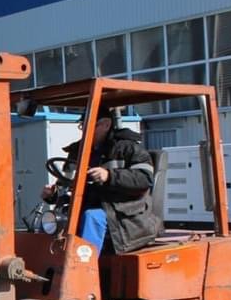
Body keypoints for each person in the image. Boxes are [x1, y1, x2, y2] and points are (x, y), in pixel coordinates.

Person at [42, 107, 160, 253]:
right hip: (88, 204)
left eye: (90, 125)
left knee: (92, 217)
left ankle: (85, 264)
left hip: (122, 210)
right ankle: (49, 262)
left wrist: (109, 176)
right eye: (82, 126)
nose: (85, 131)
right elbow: (66, 182)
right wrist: (53, 194)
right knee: (53, 220)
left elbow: (144, 179)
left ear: (106, 124)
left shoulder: (128, 148)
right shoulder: (78, 151)